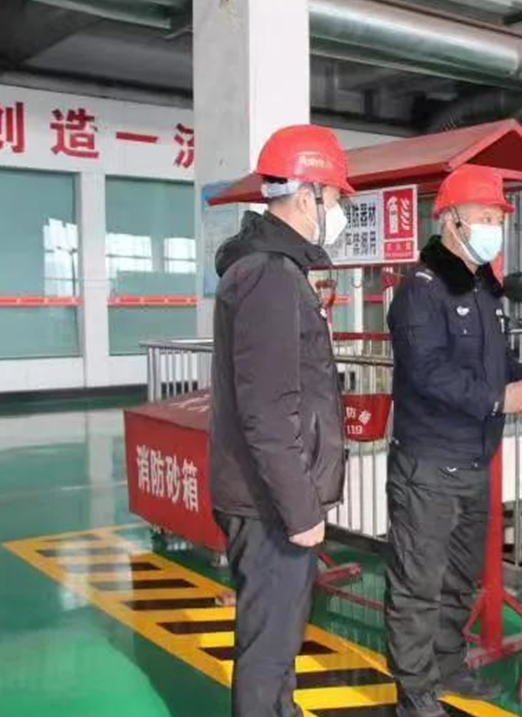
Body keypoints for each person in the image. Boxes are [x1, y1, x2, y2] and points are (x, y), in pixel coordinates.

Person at [385, 164, 522, 717]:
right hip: (429, 464)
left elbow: (495, 362)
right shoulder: (420, 290)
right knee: (417, 583)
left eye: (498, 218)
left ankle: (448, 668)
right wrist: (500, 400)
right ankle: (414, 691)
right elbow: (428, 371)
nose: (494, 227)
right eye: (485, 217)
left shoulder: (482, 289)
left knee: (459, 577)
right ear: (450, 221)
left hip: (474, 460)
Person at [208, 125, 352, 717]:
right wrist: (301, 510)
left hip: (265, 496)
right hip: (270, 504)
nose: (338, 211)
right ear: (306, 193)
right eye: (335, 197)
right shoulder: (269, 275)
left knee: (278, 640)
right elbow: (268, 409)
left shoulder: (272, 269)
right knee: (268, 653)